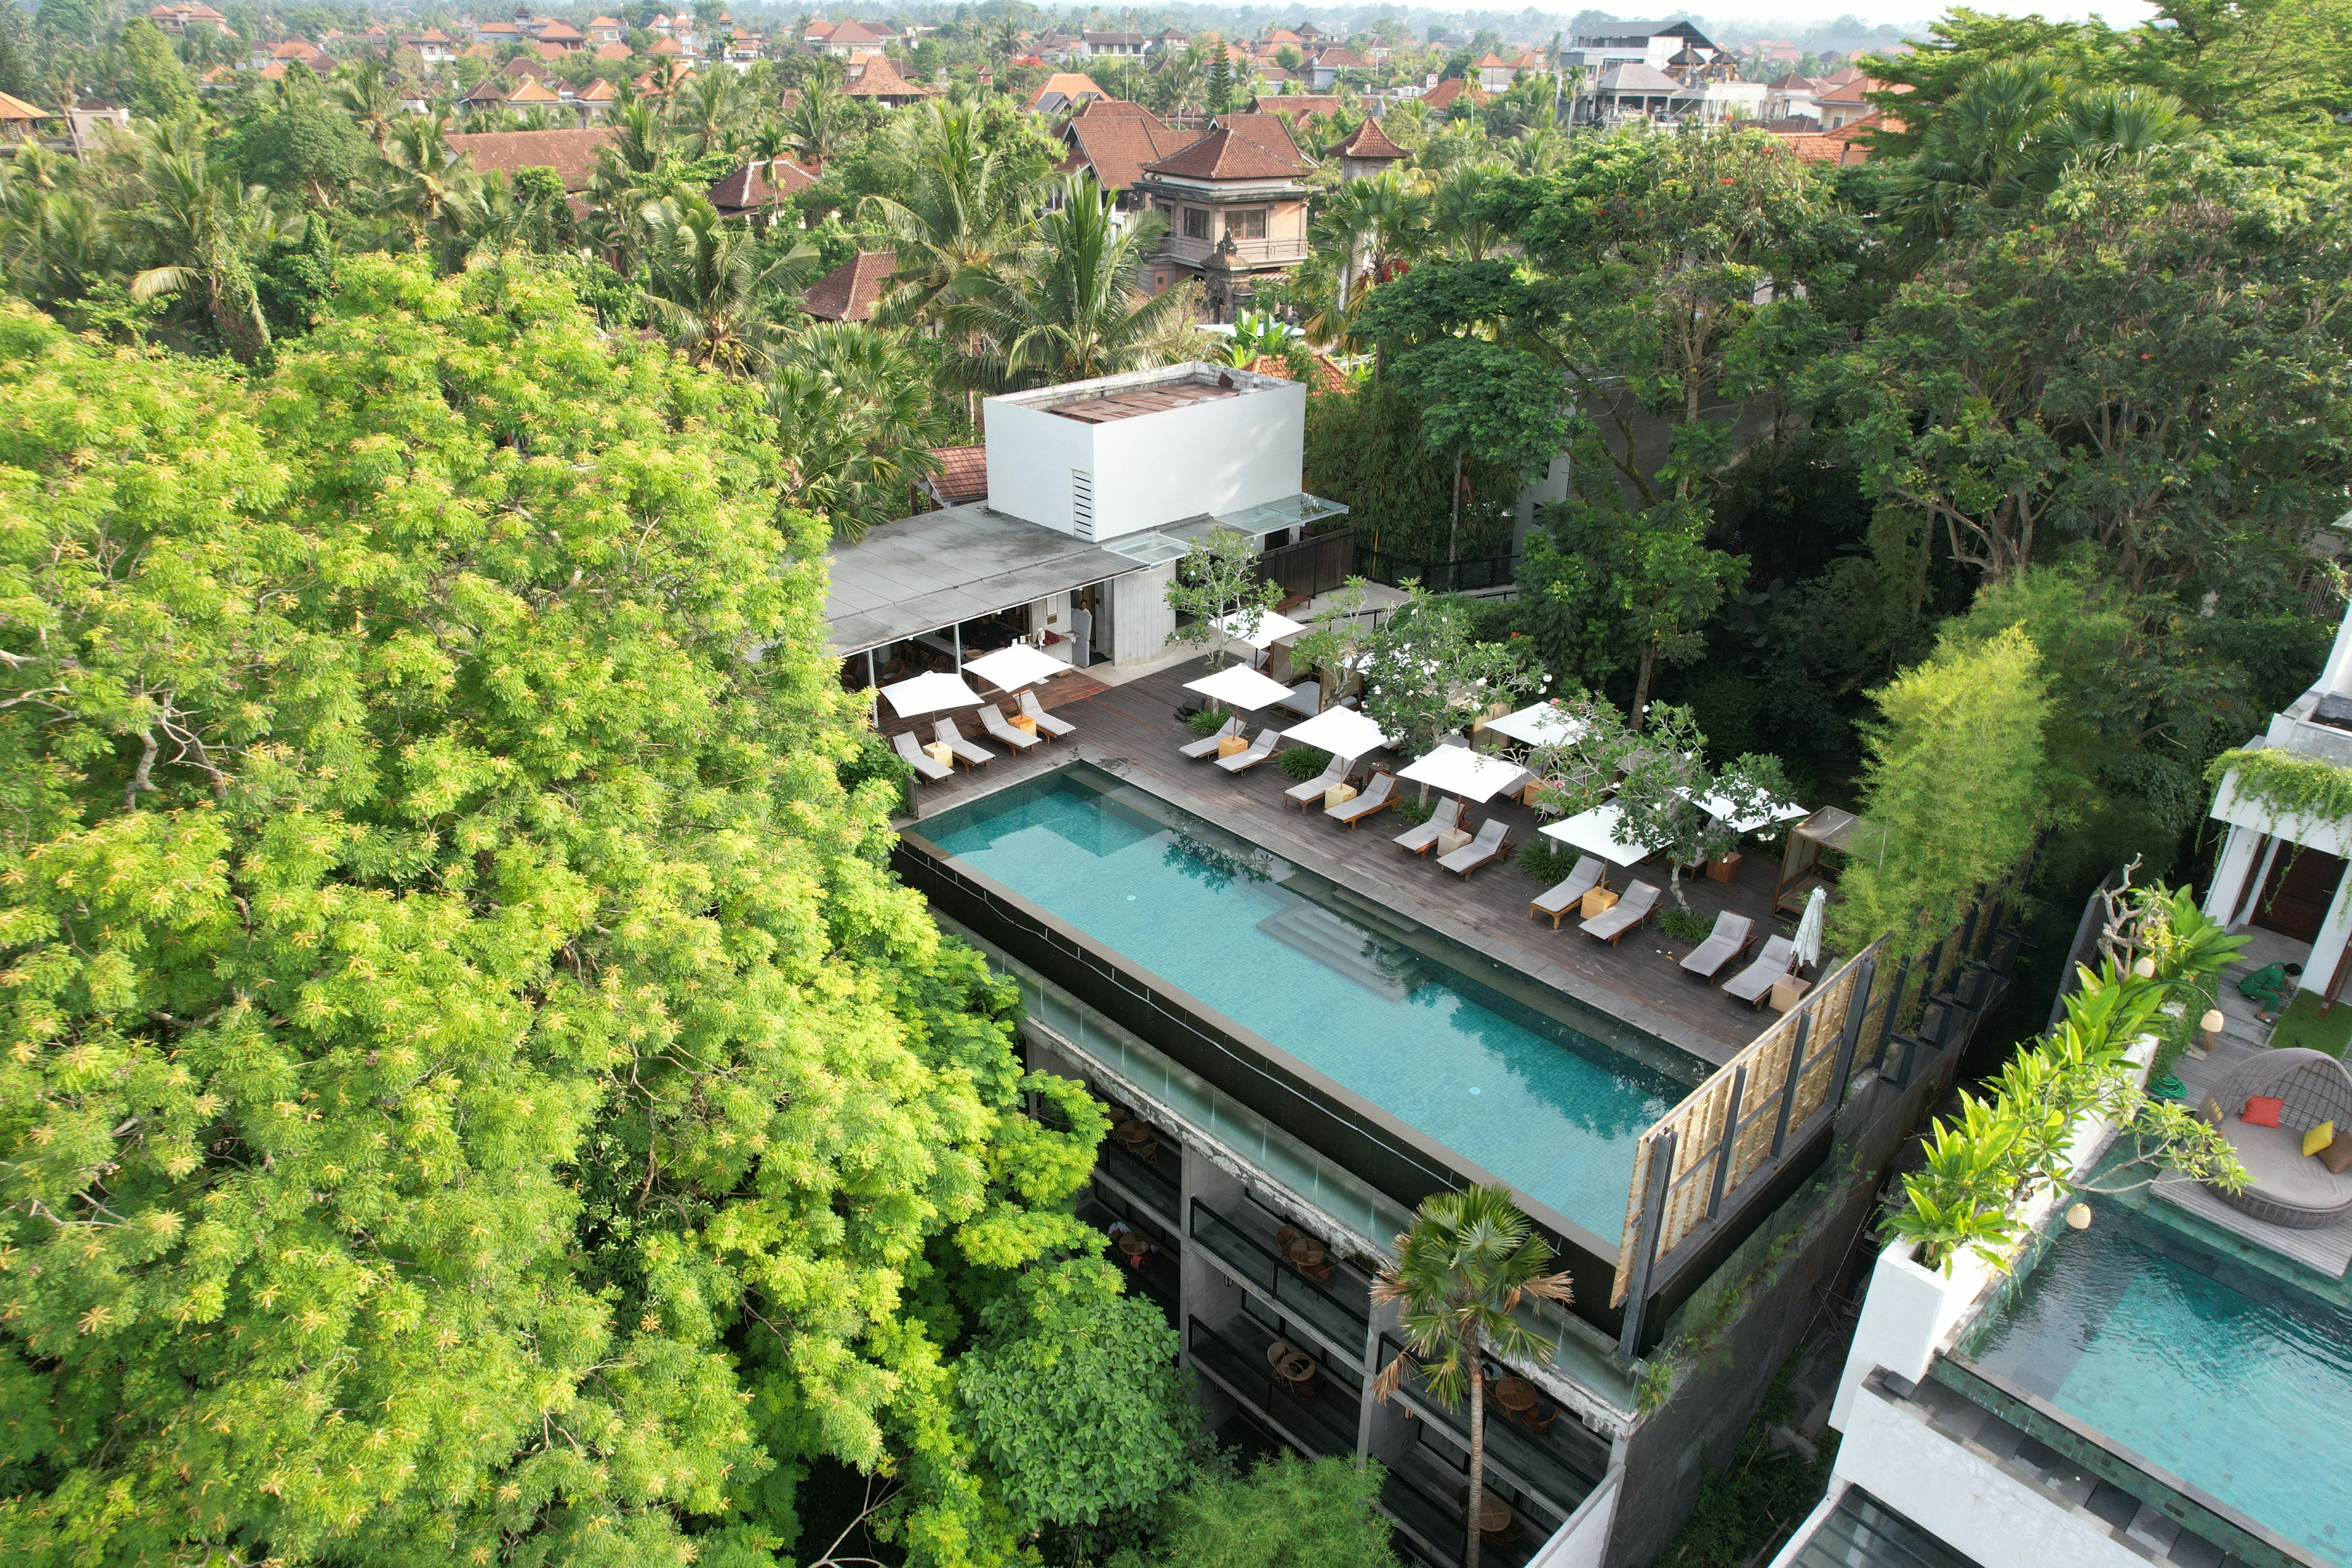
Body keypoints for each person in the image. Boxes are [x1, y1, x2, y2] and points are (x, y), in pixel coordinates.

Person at [2238, 960, 2302, 1023]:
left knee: (2281, 987)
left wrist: (2288, 983)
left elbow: (2278, 975)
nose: (2294, 977)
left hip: (2250, 981)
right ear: (2289, 974)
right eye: (2294, 976)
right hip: (2249, 988)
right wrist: (2279, 993)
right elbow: (2266, 987)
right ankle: (2261, 1015)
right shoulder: (2278, 977)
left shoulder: (2279, 964)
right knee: (2275, 997)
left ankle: (2255, 995)